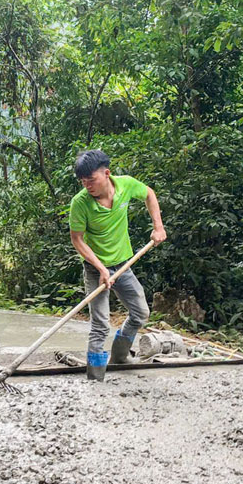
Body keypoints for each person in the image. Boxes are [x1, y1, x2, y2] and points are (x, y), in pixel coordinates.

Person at [68, 150, 167, 379]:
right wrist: (102, 269)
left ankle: (120, 356)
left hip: (124, 265)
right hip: (95, 269)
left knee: (141, 313)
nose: (87, 185)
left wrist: (158, 226)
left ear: (107, 173)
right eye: (83, 181)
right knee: (101, 324)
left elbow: (149, 194)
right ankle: (95, 378)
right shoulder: (80, 203)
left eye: (91, 179)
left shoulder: (125, 185)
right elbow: (77, 239)